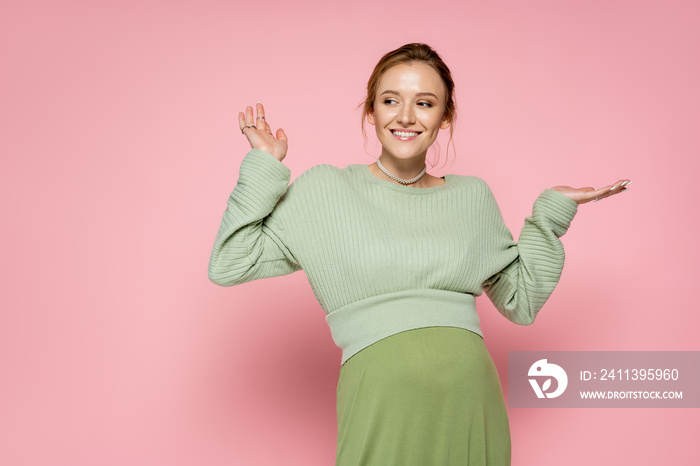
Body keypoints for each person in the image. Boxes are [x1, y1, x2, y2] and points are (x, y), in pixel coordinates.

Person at [208, 43, 630, 466]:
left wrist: (550, 215)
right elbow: (229, 262)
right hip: (380, 405)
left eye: (424, 103)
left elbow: (521, 302)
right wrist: (264, 166)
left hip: (471, 406)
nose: (406, 116)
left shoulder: (473, 197)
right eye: (390, 100)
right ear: (371, 111)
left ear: (444, 117)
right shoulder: (324, 190)